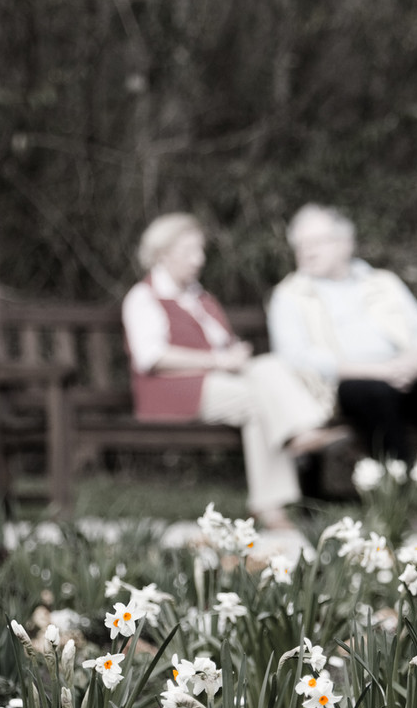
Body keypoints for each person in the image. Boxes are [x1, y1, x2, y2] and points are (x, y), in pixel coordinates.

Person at [122, 213, 348, 529]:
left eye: (200, 251)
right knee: (257, 400)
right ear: (163, 254)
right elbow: (151, 357)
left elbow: (220, 345)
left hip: (218, 380)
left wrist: (232, 355)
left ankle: (300, 435)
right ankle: (274, 500)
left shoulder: (199, 297)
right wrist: (218, 362)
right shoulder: (144, 297)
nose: (199, 259)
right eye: (189, 252)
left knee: (270, 367)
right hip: (172, 391)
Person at [268, 204, 417, 472]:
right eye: (300, 244)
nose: (306, 250)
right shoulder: (290, 294)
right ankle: (401, 492)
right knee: (372, 392)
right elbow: (296, 357)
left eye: (316, 242)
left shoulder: (384, 282)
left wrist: (412, 362)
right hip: (345, 389)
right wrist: (377, 371)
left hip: (403, 377)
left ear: (344, 244)